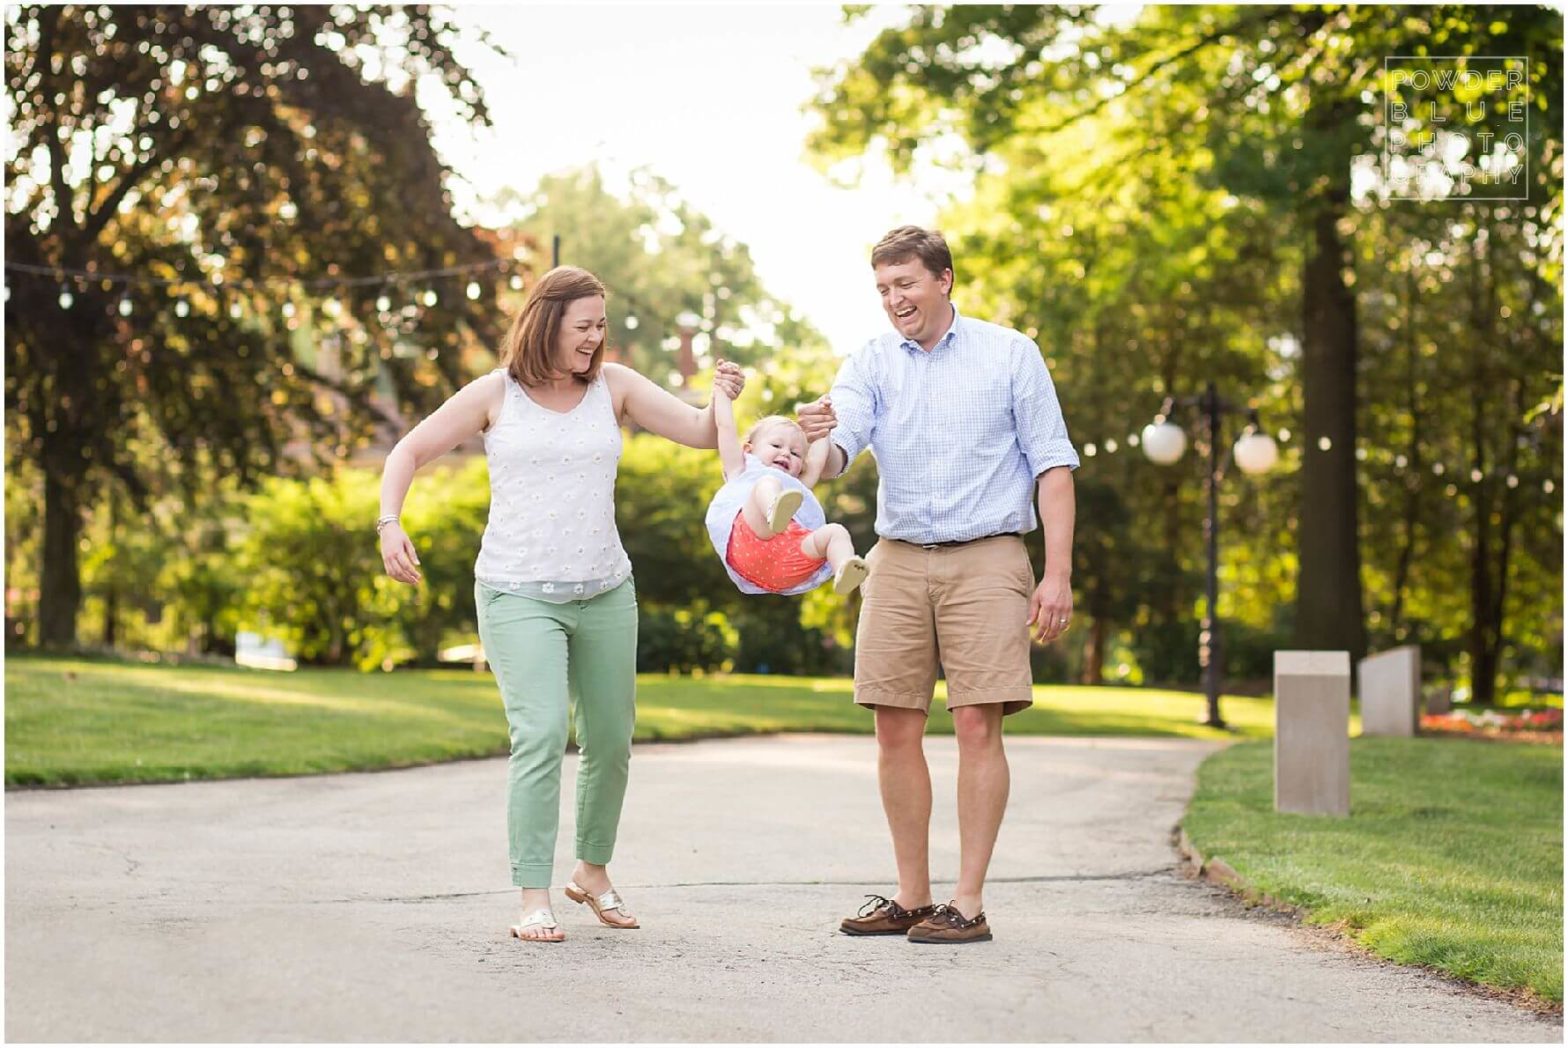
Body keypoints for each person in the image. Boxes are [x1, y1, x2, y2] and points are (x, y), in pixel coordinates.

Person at [378, 265, 744, 943]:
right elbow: (410, 449)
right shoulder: (496, 394)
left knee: (610, 739)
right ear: (547, 322)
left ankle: (592, 872)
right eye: (585, 326)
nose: (596, 338)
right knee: (542, 732)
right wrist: (389, 522)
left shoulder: (616, 388)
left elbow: (698, 432)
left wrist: (722, 399)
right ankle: (532, 897)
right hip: (518, 594)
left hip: (605, 589)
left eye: (601, 326)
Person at [797, 225, 1078, 945]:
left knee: (978, 721)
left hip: (988, 556)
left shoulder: (1010, 353)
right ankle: (913, 897)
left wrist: (1056, 574)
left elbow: (1053, 466)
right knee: (893, 724)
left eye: (907, 285)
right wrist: (810, 444)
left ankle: (969, 902)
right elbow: (838, 452)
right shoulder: (871, 361)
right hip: (897, 557)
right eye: (884, 289)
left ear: (944, 280)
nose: (895, 300)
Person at [703, 368, 869, 597]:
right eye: (776, 446)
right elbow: (725, 427)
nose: (786, 454)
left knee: (835, 532)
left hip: (790, 559)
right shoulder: (741, 468)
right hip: (751, 543)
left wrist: (824, 422)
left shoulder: (797, 484)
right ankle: (772, 509)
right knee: (766, 483)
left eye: (795, 453)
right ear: (749, 449)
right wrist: (722, 393)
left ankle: (844, 568)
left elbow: (818, 459)